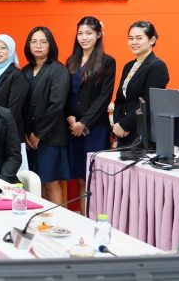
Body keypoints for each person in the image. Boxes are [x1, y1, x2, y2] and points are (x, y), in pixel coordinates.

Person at [64, 17, 115, 214]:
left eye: (89, 33)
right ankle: (83, 218)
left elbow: (104, 96)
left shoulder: (107, 61)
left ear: (98, 35)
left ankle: (94, 218)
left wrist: (84, 123)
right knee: (79, 176)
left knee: (93, 176)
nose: (83, 37)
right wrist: (70, 118)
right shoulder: (71, 61)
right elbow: (66, 93)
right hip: (72, 127)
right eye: (80, 33)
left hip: (95, 128)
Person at [22, 27, 70, 205]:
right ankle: (40, 218)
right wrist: (26, 133)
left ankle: (58, 219)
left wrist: (39, 134)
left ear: (51, 45)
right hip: (30, 138)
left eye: (43, 42)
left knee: (51, 182)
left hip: (50, 136)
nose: (38, 45)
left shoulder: (58, 70)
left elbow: (56, 105)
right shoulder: (25, 70)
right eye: (34, 42)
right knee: (35, 183)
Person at [113, 21, 170, 148]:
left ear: (152, 40)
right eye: (131, 38)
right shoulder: (128, 66)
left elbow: (149, 103)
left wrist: (125, 124)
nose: (134, 42)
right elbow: (120, 99)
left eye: (139, 38)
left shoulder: (157, 66)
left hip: (142, 133)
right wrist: (118, 123)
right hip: (123, 133)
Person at [0, 34, 29, 172]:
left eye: (3, 48)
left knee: (12, 179)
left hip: (9, 137)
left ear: (10, 51)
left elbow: (13, 112)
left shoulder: (16, 76)